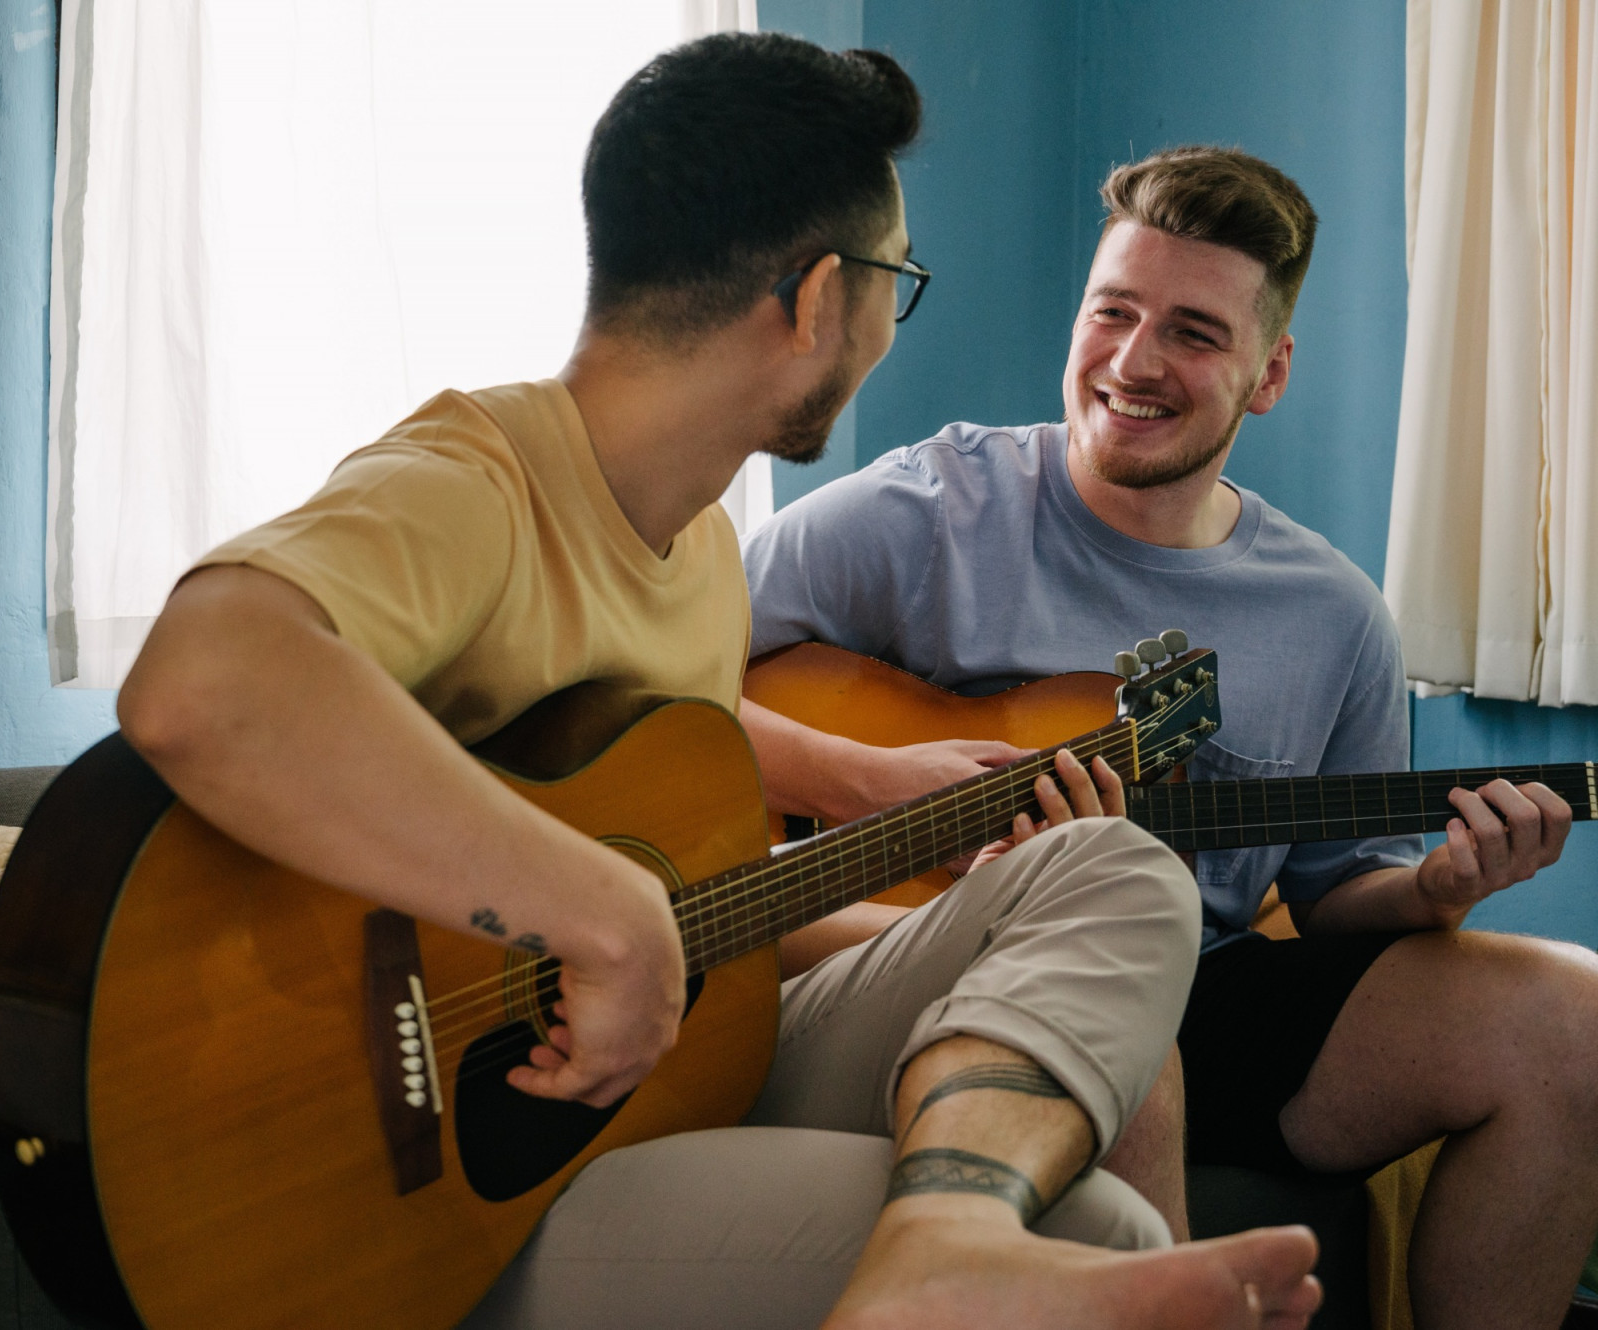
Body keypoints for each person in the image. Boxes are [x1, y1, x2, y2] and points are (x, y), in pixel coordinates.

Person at [119, 39, 1320, 1330]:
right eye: (895, 283)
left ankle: (947, 1235)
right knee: (1106, 1218)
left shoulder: (697, 546)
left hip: (685, 1061)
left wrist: (963, 910)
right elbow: (203, 681)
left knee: (1114, 886)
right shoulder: (471, 484)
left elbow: (696, 899)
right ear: (820, 298)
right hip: (452, 1181)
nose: (882, 328)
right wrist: (606, 913)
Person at [742, 143, 1598, 1329]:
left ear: (1267, 373)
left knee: (1575, 1017)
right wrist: (871, 777)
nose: (1132, 363)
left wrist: (1436, 892)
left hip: (1208, 983)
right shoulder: (923, 510)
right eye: (1113, 312)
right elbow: (655, 680)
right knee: (1122, 963)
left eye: (1193, 332)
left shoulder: (1335, 614)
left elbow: (1337, 890)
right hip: (926, 963)